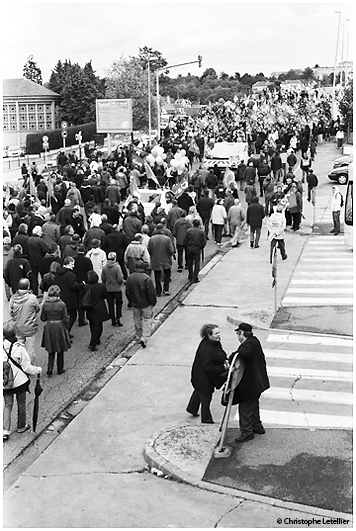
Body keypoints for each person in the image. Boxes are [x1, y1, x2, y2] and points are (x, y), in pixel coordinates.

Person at [229, 322, 270, 443]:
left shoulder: (249, 344)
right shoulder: (254, 341)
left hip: (252, 384)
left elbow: (243, 353)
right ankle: (257, 426)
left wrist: (232, 357)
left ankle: (247, 432)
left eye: (238, 333)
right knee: (253, 405)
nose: (237, 337)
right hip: (258, 383)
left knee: (245, 409)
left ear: (241, 333)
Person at [3, 321, 42, 442]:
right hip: (20, 382)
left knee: (8, 405)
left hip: (6, 383)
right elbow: (27, 368)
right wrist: (37, 369)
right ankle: (21, 426)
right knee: (21, 403)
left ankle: (5, 431)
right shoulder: (19, 348)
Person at [186, 324, 228, 424]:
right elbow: (208, 367)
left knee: (198, 390)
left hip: (202, 375)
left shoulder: (214, 342)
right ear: (209, 335)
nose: (219, 335)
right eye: (216, 333)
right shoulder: (206, 349)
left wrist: (224, 359)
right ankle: (207, 421)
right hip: (203, 378)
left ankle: (192, 408)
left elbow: (219, 352)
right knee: (206, 398)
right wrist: (223, 367)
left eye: (219, 332)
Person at [40, 284, 71, 376]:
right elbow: (65, 318)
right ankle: (60, 368)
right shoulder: (61, 304)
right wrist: (67, 327)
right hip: (59, 326)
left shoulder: (45, 304)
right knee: (60, 349)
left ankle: (50, 368)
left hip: (49, 326)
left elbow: (43, 318)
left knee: (51, 349)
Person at [125, 260, 157, 348]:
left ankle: (138, 336)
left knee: (137, 319)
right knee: (147, 320)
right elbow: (151, 292)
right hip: (146, 303)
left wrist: (131, 301)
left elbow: (127, 291)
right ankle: (145, 337)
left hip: (135, 303)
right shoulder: (146, 278)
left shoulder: (130, 277)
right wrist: (153, 302)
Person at [9, 278, 40, 362]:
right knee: (30, 349)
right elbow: (37, 309)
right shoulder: (32, 298)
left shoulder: (13, 299)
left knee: (19, 348)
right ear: (28, 286)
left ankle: (21, 365)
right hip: (30, 328)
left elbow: (10, 313)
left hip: (18, 328)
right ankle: (30, 366)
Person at [53, 256, 80, 335]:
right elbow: (74, 286)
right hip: (69, 298)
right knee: (73, 315)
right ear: (69, 263)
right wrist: (81, 285)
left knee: (63, 316)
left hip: (60, 297)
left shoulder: (57, 274)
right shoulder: (70, 275)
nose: (74, 266)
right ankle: (66, 332)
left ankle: (65, 332)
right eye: (73, 264)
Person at [84, 270, 110, 351]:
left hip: (90, 308)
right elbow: (106, 295)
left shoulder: (86, 287)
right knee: (98, 326)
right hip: (99, 308)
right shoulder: (101, 286)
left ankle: (95, 339)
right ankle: (93, 342)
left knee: (92, 325)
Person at [147, 223, 174, 296]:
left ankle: (158, 290)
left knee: (157, 275)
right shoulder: (167, 239)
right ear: (162, 230)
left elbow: (149, 249)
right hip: (166, 259)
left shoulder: (151, 239)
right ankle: (166, 289)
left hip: (155, 259)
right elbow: (170, 250)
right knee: (167, 274)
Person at [101, 252, 124, 327]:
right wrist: (121, 283)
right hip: (117, 288)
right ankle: (118, 318)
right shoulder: (117, 267)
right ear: (115, 258)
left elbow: (103, 278)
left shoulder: (105, 267)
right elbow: (120, 278)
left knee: (110, 305)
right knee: (118, 304)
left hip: (108, 288)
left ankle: (112, 319)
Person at [184, 219, 207, 283]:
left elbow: (185, 240)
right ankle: (195, 276)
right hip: (197, 248)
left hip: (189, 248)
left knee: (189, 262)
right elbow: (204, 241)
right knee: (197, 263)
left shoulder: (188, 231)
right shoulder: (201, 232)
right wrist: (201, 247)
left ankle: (190, 275)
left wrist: (186, 246)